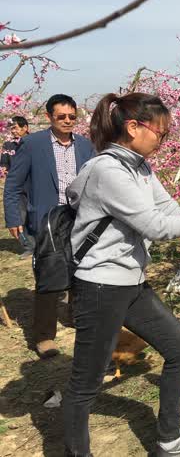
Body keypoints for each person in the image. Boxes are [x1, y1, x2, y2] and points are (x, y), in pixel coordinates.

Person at [62, 92, 180, 457]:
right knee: (86, 383)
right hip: (101, 286)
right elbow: (154, 226)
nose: (163, 141)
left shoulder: (138, 167)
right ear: (133, 127)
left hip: (130, 282)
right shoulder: (108, 170)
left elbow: (168, 209)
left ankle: (169, 440)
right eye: (160, 133)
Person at [3, 95, 95, 358]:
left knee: (83, 269)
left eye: (71, 117)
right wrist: (14, 217)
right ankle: (44, 336)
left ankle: (77, 316)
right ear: (49, 117)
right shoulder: (32, 144)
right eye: (61, 116)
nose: (67, 121)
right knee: (48, 274)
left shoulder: (85, 146)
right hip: (46, 218)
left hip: (79, 217)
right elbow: (13, 184)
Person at [1, 116, 33, 256]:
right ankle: (28, 246)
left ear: (25, 127)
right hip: (16, 187)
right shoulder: (8, 145)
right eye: (11, 128)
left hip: (33, 184)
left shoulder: (34, 143)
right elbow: (4, 164)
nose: (13, 131)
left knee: (35, 215)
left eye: (15, 127)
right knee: (20, 216)